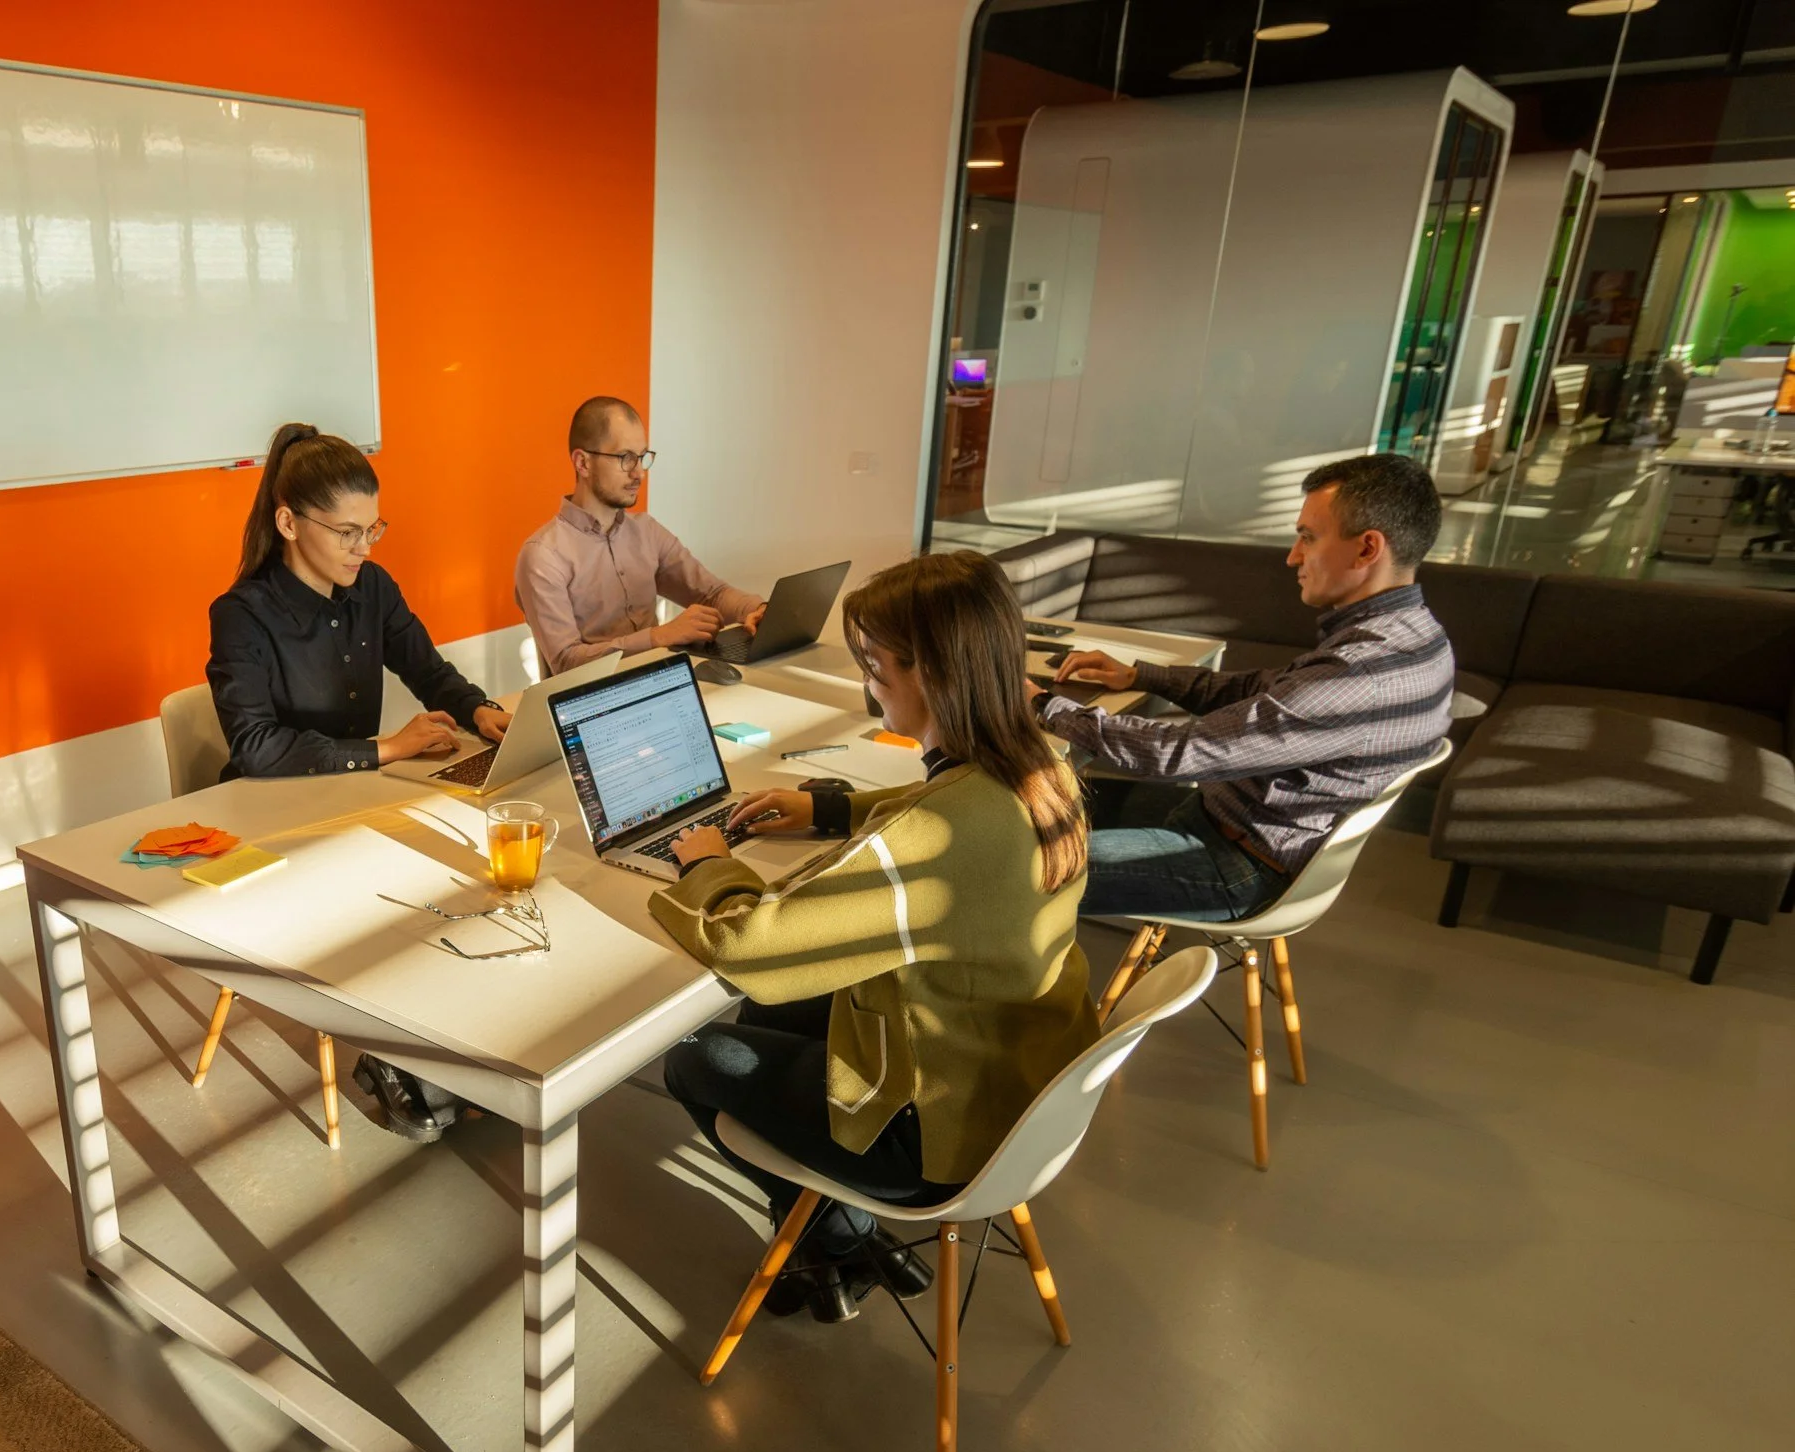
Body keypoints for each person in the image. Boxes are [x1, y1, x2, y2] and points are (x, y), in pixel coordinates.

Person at [652, 552, 1100, 1323]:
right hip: (1016, 1081)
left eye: (877, 666)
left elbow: (750, 946)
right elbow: (939, 808)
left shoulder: (941, 832)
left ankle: (837, 1238)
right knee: (769, 1021)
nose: (868, 686)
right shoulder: (1043, 767)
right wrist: (827, 809)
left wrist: (709, 866)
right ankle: (836, 1236)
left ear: (928, 672)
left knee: (695, 1058)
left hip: (939, 1135)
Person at [1036, 453, 1456, 922]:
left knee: (1002, 867)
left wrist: (1040, 704)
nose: (1293, 556)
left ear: (1367, 549)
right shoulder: (1416, 635)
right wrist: (1141, 676)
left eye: (1307, 538)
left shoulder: (1360, 674)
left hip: (1234, 862)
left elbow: (1178, 754)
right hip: (1231, 822)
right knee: (1028, 810)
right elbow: (1263, 690)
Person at [208, 423, 510, 781]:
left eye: (371, 530)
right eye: (348, 533)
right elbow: (255, 746)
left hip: (353, 793)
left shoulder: (373, 586)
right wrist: (388, 749)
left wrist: (477, 709)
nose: (364, 548)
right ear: (289, 523)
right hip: (272, 806)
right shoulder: (241, 615)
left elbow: (428, 672)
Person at [514, 396, 765, 673]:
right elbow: (566, 662)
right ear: (582, 463)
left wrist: (757, 610)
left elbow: (711, 593)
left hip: (663, 687)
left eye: (643, 457)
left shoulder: (646, 530)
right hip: (592, 705)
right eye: (625, 458)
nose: (639, 474)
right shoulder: (543, 554)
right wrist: (658, 637)